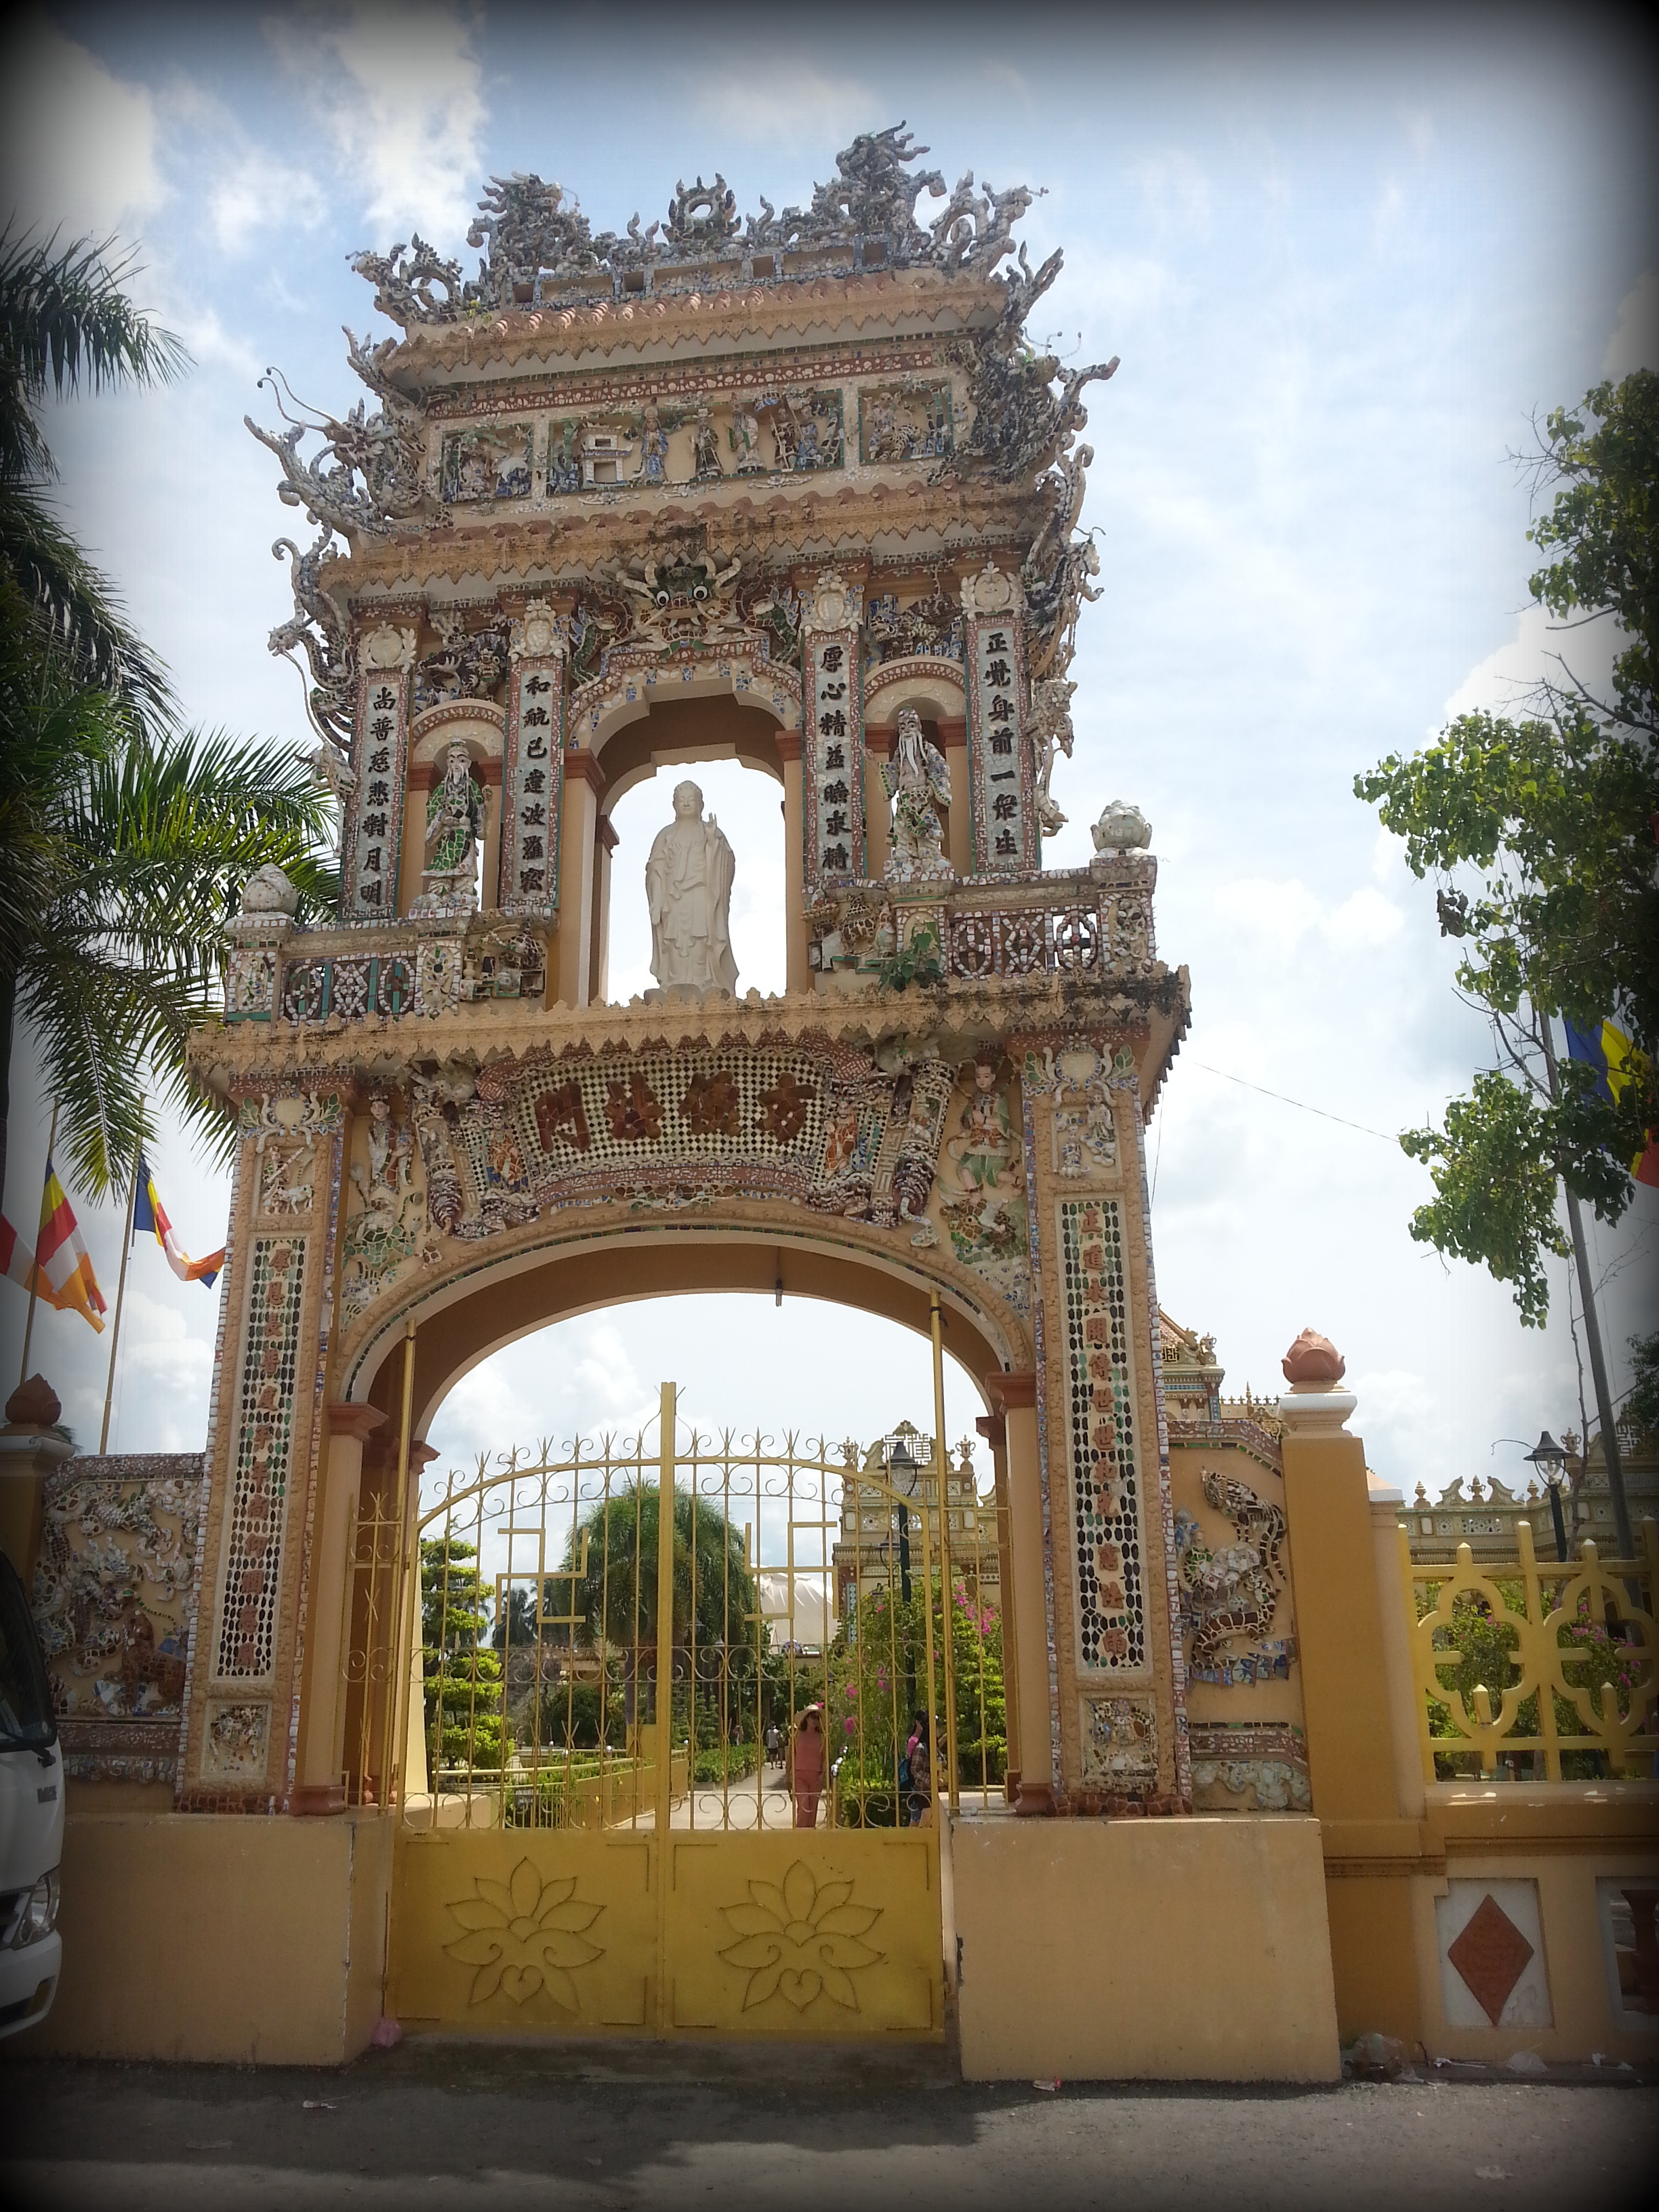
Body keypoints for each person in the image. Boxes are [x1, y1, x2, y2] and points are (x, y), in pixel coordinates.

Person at [790, 1704, 826, 1830]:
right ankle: (800, 1832)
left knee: (813, 1809)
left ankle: (810, 1833)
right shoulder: (797, 1735)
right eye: (813, 1717)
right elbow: (791, 1755)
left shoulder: (822, 1737)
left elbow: (825, 1757)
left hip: (816, 1775)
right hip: (799, 1775)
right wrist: (788, 1775)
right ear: (806, 1718)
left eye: (817, 1718)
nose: (815, 1720)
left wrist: (823, 1774)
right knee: (804, 1806)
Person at [905, 1711, 932, 1826]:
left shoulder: (926, 1743)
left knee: (920, 1819)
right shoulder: (915, 1742)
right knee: (916, 1819)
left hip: (922, 1786)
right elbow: (914, 1767)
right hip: (917, 1785)